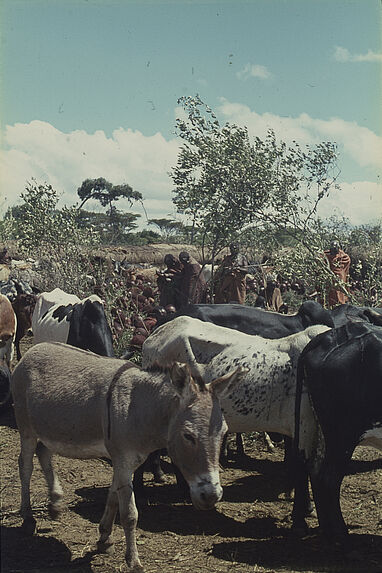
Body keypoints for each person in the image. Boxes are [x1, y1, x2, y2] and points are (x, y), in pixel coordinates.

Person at [324, 240, 351, 307]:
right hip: (328, 280)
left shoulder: (344, 257)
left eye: (335, 248)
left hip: (339, 280)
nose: (333, 250)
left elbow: (344, 269)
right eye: (332, 249)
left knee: (339, 293)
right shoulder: (325, 256)